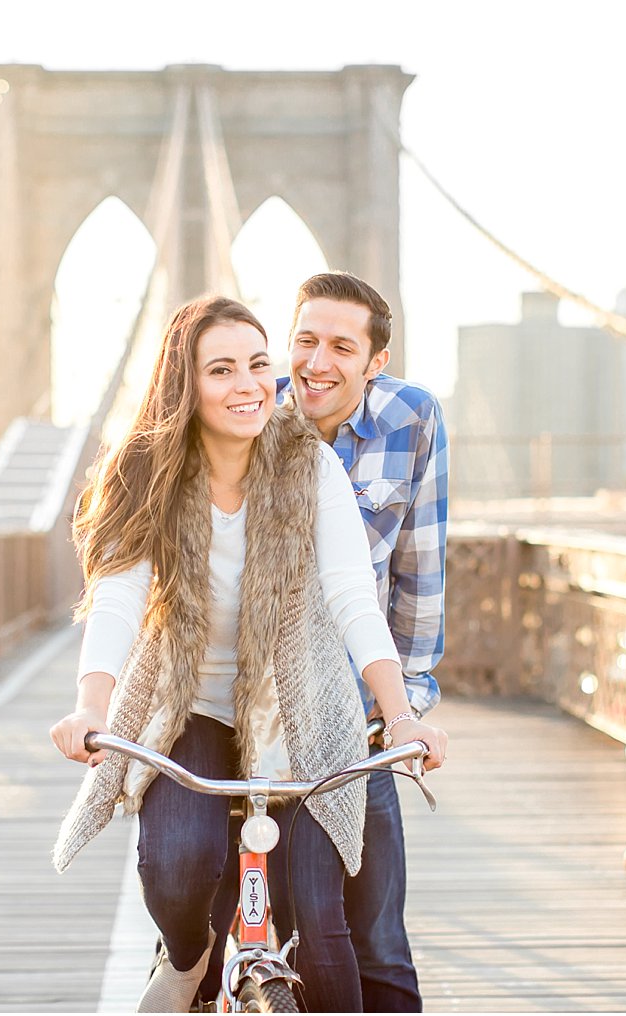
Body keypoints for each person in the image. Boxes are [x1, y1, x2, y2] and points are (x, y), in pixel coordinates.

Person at [49, 296, 447, 1013]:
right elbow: (116, 598)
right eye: (222, 369)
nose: (249, 384)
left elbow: (354, 595)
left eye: (260, 366)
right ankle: (189, 960)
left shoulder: (311, 466)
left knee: (322, 936)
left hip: (299, 715)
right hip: (190, 714)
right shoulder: (147, 474)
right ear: (185, 384)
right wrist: (91, 705)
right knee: (175, 869)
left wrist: (403, 717)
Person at [281, 272, 449, 1013]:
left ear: (375, 360)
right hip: (258, 717)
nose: (318, 362)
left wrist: (403, 709)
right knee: (271, 933)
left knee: (377, 939)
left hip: (360, 718)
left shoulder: (412, 420)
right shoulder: (250, 416)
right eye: (306, 340)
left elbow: (420, 568)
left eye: (342, 346)